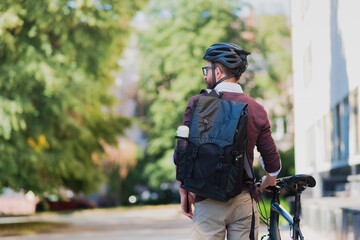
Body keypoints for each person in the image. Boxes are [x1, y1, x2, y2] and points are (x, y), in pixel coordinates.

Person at [176, 42, 281, 240]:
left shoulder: (198, 104)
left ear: (218, 72)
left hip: (207, 200)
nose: (205, 74)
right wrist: (270, 179)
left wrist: (184, 191)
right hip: (243, 201)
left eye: (207, 69)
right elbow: (272, 161)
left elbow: (181, 154)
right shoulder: (256, 109)